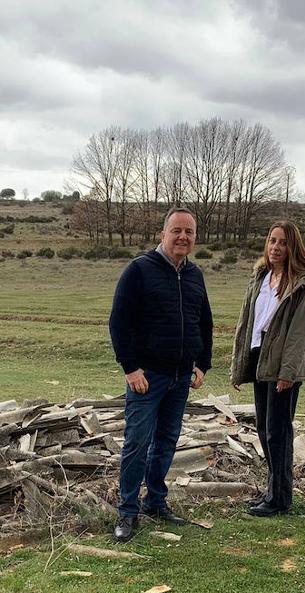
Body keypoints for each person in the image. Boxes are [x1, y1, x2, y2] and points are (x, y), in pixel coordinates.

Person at [108, 206, 213, 542]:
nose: (183, 237)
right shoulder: (139, 270)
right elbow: (119, 323)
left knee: (166, 442)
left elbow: (205, 323)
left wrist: (202, 363)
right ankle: (127, 512)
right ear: (163, 234)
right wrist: (131, 368)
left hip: (180, 376)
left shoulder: (195, 274)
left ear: (195, 238)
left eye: (189, 232)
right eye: (177, 230)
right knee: (137, 443)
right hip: (147, 377)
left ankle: (155, 501)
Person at [229, 220, 305, 517]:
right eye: (272, 241)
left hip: (284, 365)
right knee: (263, 428)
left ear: (292, 247)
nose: (275, 247)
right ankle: (273, 491)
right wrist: (239, 366)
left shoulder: (302, 284)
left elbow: (301, 332)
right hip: (261, 359)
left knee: (278, 431)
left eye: (282, 242)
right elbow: (247, 323)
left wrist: (288, 372)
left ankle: (281, 499)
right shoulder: (261, 277)